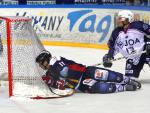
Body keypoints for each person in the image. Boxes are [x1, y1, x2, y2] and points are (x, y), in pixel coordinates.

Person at [36, 50, 141, 94]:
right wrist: (51, 82)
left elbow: (64, 71)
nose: (41, 66)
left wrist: (54, 77)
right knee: (102, 88)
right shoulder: (49, 73)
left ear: (46, 60)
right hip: (79, 85)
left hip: (85, 72)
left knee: (108, 75)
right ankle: (123, 87)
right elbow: (61, 86)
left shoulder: (56, 60)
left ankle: (128, 80)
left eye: (41, 63)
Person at [102, 10, 150, 79]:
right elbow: (113, 47)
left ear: (128, 19)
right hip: (132, 58)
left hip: (146, 52)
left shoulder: (138, 26)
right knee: (129, 80)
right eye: (118, 18)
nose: (118, 20)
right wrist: (109, 56)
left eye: (121, 18)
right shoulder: (116, 33)